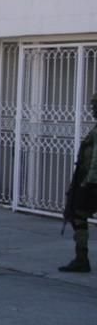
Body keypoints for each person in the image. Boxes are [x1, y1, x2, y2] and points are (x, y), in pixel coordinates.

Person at [60, 91, 97, 273]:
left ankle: (82, 259)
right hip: (86, 180)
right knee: (77, 215)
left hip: (91, 183)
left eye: (95, 106)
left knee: (78, 214)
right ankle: (81, 258)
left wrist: (88, 183)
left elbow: (95, 160)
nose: (93, 109)